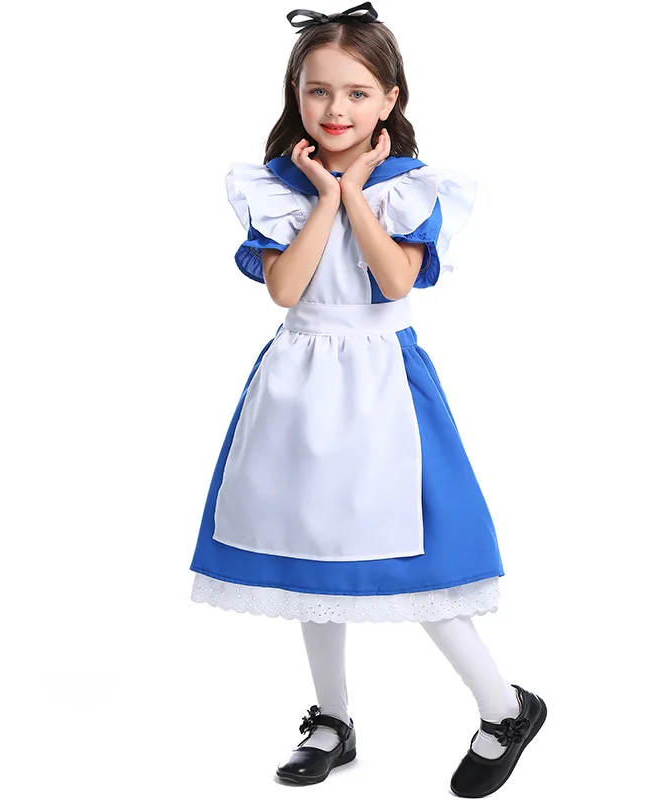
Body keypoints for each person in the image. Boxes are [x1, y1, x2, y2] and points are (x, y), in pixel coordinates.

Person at [188, 3, 547, 795]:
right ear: (296, 94)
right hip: (297, 382)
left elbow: (394, 280)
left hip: (383, 385)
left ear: (390, 98)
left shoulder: (413, 189)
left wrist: (354, 193)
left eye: (357, 92)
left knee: (413, 561)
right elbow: (286, 290)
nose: (336, 108)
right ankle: (332, 718)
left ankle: (504, 707)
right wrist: (323, 195)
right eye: (318, 90)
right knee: (310, 550)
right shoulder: (273, 187)